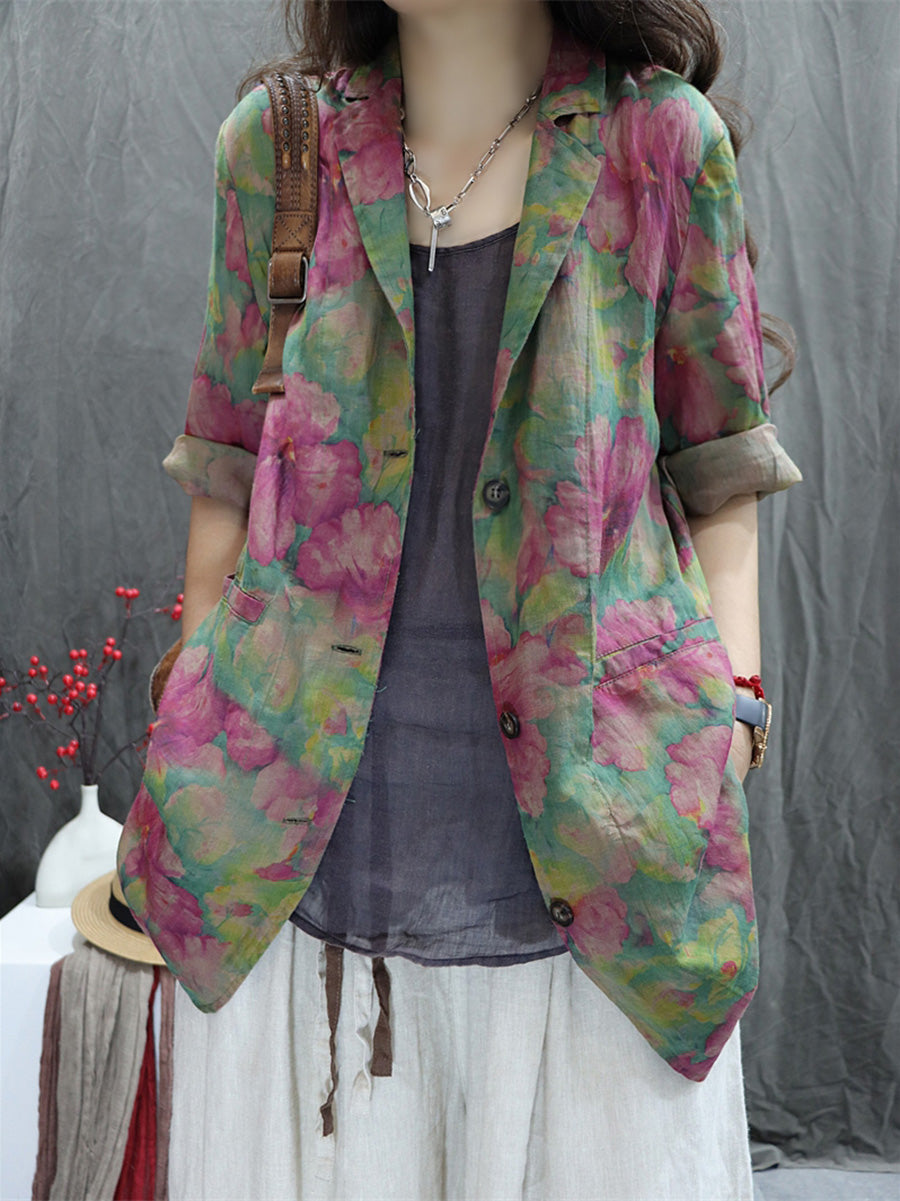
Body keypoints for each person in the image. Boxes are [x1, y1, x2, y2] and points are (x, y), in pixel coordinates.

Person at [117, 1, 802, 1196]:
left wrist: (732, 713)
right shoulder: (278, 149)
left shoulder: (659, 144)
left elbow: (721, 457)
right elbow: (225, 457)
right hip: (300, 828)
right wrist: (196, 711)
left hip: (604, 825)